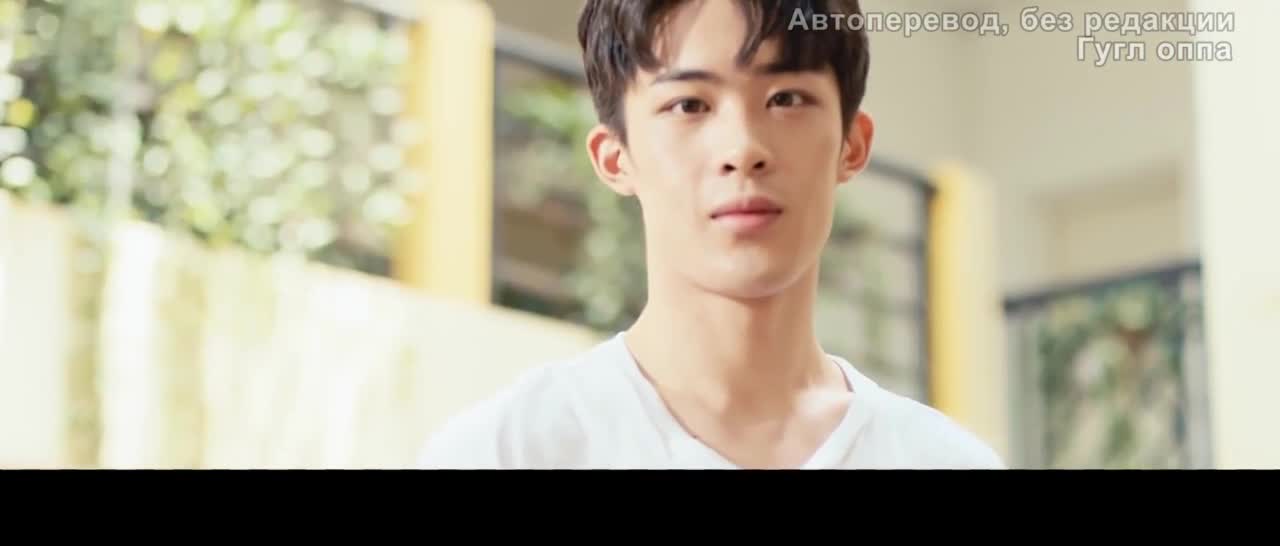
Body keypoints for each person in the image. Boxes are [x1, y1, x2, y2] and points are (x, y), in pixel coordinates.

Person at [417, 0, 1004, 470]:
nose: (743, 148)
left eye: (786, 98)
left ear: (852, 144)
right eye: (689, 105)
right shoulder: (509, 451)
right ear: (615, 157)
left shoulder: (943, 460)